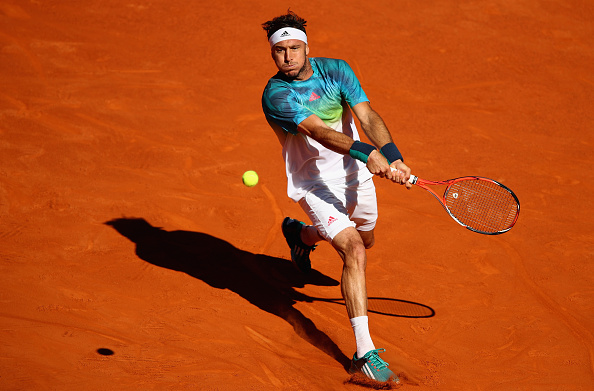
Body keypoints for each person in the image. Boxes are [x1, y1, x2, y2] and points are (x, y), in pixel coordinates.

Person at [261, 11, 412, 384]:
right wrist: (367, 153)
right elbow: (319, 132)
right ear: (272, 54)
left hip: (355, 178)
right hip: (312, 183)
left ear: (307, 47)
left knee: (367, 239)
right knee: (353, 249)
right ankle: (364, 355)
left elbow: (367, 115)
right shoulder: (276, 94)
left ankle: (302, 236)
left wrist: (393, 155)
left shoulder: (338, 71)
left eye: (294, 48)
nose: (288, 57)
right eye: (279, 51)